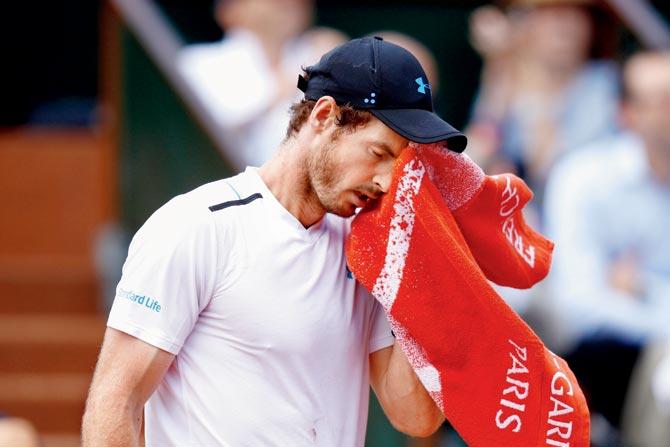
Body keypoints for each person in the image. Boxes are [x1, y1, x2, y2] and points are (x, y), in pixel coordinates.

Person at [82, 36, 467, 446]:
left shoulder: (368, 251)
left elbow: (415, 416)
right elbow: (115, 404)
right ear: (323, 116)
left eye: (401, 163)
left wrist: (427, 276)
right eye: (377, 152)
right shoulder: (197, 226)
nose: (387, 180)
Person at [543, 51, 670, 444]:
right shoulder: (585, 179)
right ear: (626, 113)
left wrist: (646, 290)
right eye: (662, 101)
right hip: (610, 357)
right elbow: (579, 303)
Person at [466, 0, 620, 215]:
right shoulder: (507, 75)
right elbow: (475, 155)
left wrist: (512, 62)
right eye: (550, 15)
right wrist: (501, 66)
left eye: (575, 14)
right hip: (521, 227)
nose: (564, 27)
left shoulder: (604, 83)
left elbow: (548, 165)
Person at [178, 0, 347, 166]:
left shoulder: (319, 54)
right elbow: (211, 134)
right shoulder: (199, 63)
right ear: (228, 10)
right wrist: (300, 77)